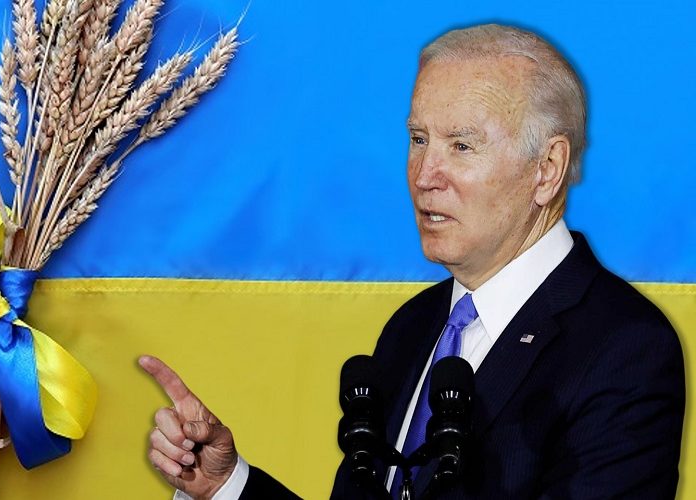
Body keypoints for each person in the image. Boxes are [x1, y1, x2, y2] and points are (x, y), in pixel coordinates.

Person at [140, 23, 685, 499]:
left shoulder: (625, 347)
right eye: (419, 139)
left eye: (461, 146)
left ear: (547, 169)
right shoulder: (413, 326)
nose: (425, 175)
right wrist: (227, 484)